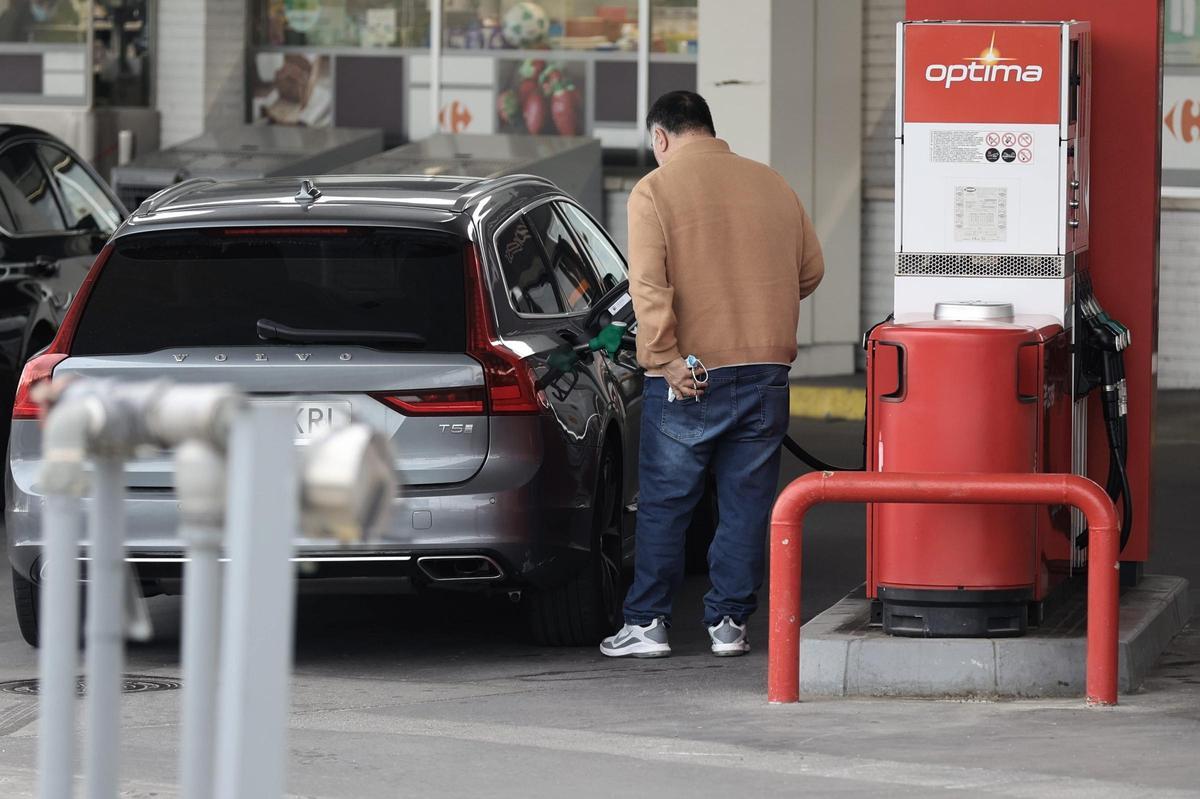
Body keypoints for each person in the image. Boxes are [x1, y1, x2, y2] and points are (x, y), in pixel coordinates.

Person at [600, 91, 824, 659]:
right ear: (708, 128)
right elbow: (810, 272)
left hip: (688, 374)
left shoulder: (654, 190)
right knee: (746, 503)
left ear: (661, 138)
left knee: (666, 503)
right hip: (766, 368)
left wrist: (663, 357)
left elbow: (649, 286)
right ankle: (729, 625)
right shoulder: (772, 183)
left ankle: (647, 623)